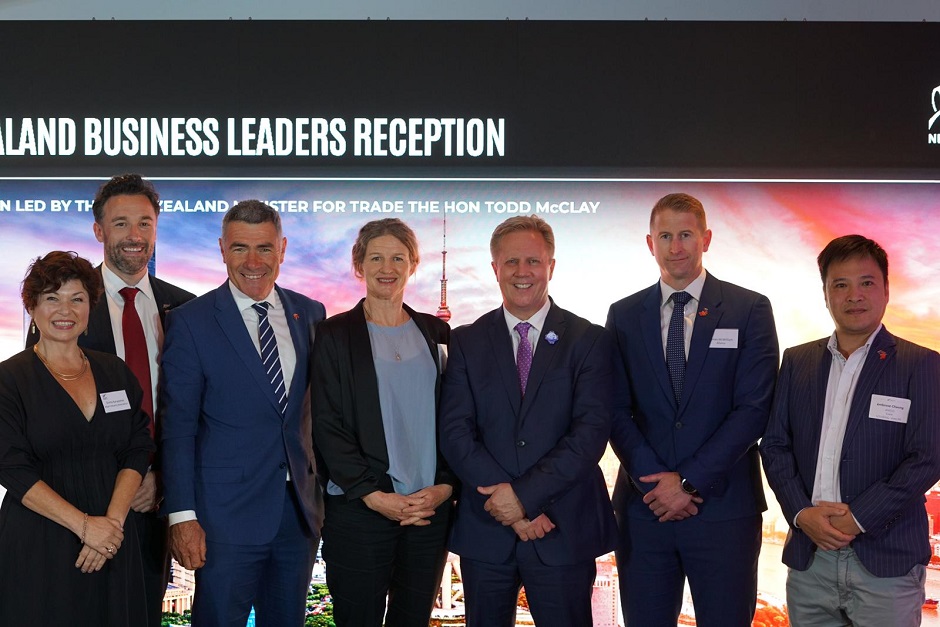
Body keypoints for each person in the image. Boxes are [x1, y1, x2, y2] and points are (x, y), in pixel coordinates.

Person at [27, 173, 195, 626]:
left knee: (141, 613)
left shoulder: (186, 309)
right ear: (99, 231)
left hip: (157, 503)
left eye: (145, 223)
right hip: (78, 510)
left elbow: (196, 411)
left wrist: (162, 479)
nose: (134, 235)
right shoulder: (66, 308)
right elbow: (40, 412)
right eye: (121, 224)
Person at [606, 192, 779, 627]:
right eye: (665, 236)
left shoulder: (749, 309)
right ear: (651, 244)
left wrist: (687, 482)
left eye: (685, 234)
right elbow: (614, 409)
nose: (675, 247)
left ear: (706, 238)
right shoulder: (623, 315)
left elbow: (754, 408)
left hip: (724, 511)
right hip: (646, 511)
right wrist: (658, 484)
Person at [439, 215, 617, 627]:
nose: (523, 272)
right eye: (512, 261)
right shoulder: (466, 340)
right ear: (495, 268)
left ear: (551, 266)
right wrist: (512, 507)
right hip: (487, 530)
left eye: (533, 261)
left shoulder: (588, 340)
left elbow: (590, 434)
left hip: (562, 527)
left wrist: (524, 498)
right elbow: (455, 432)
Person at [160, 200, 326, 627]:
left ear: (282, 249)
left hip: (298, 515)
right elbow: (177, 428)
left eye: (264, 248)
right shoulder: (191, 322)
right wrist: (182, 516)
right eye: (239, 248)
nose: (253, 262)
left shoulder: (311, 313)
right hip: (223, 518)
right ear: (222, 249)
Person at [761, 234, 940, 626]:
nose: (854, 295)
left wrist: (858, 517)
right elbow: (774, 445)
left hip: (886, 562)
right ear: (826, 295)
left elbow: (928, 457)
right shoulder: (797, 361)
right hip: (810, 559)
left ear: (886, 290)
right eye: (840, 285)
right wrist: (801, 512)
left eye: (866, 283)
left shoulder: (921, 364)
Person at [312, 218, 456, 626]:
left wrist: (445, 486)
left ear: (413, 264)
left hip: (427, 511)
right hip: (361, 511)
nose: (387, 268)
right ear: (359, 265)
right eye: (376, 258)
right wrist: (374, 496)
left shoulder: (437, 333)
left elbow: (455, 417)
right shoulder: (333, 335)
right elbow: (326, 424)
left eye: (398, 258)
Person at [0, 251, 154, 625]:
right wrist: (86, 527)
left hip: (114, 538)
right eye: (52, 297)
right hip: (40, 541)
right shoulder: (9, 380)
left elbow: (138, 446)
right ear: (32, 307)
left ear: (90, 307)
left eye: (77, 298)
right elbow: (11, 467)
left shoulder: (114, 371)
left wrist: (111, 526)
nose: (65, 310)